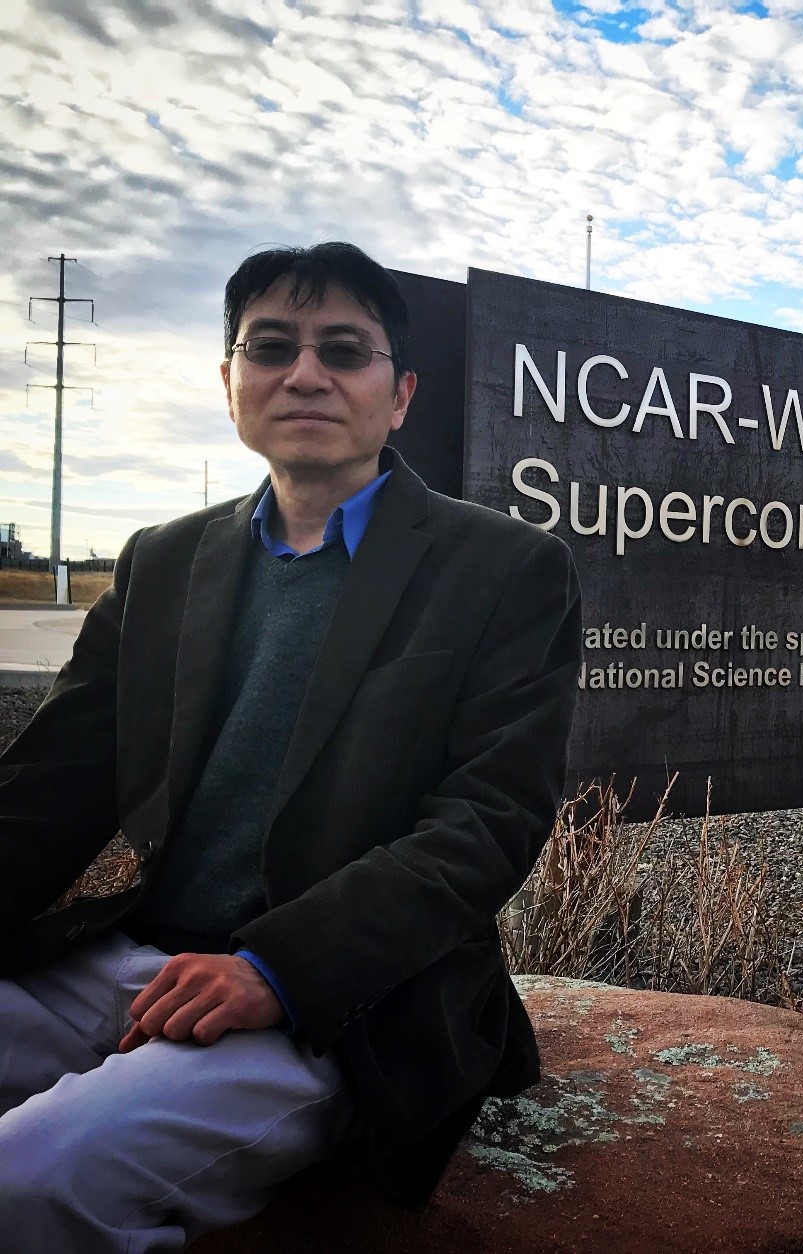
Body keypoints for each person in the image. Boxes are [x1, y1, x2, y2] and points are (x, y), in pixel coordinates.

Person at [0, 241, 582, 1250]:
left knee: (32, 1180)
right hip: (134, 963)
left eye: (342, 350)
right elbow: (50, 787)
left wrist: (277, 968)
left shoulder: (504, 570)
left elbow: (485, 827)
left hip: (338, 1007)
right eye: (270, 346)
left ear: (398, 394)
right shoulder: (162, 560)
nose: (303, 373)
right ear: (230, 382)